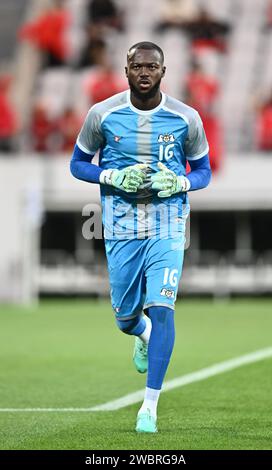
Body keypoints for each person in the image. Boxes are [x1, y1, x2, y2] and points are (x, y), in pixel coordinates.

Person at [70, 42, 211, 433]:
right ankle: (141, 334)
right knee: (126, 318)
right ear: (126, 70)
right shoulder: (103, 115)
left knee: (163, 309)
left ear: (163, 72)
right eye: (137, 66)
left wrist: (180, 181)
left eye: (152, 66)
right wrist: (111, 176)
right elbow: (77, 164)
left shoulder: (186, 118)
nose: (144, 72)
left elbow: (204, 171)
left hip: (168, 224)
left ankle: (149, 405)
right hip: (119, 227)